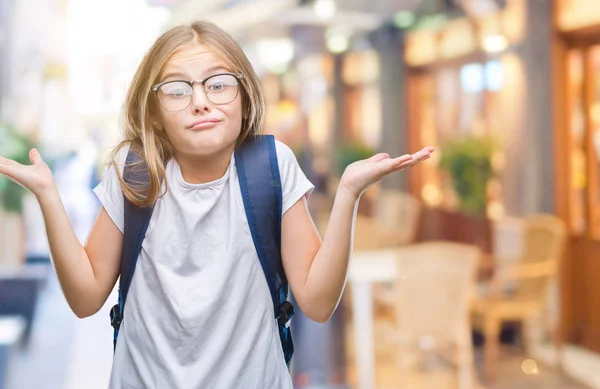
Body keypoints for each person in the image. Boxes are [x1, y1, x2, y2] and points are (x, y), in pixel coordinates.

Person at [0, 21, 433, 389]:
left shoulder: (271, 165)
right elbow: (85, 297)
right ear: (153, 111)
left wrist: (348, 195)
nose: (201, 101)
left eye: (218, 84)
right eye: (177, 89)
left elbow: (317, 304)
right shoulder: (134, 171)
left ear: (244, 96)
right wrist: (48, 197)